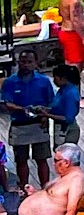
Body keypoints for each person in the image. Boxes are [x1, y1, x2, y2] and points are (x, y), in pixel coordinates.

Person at [2, 50, 56, 192]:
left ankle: (45, 188)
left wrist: (45, 115)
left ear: (36, 63)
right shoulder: (9, 82)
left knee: (42, 159)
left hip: (39, 125)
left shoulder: (44, 81)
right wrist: (23, 109)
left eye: (29, 62)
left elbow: (51, 102)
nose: (26, 65)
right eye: (23, 61)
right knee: (21, 160)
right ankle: (24, 188)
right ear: (18, 62)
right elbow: (7, 103)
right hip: (19, 126)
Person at [17, 145, 84, 215]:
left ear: (66, 163)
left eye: (56, 160)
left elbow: (72, 208)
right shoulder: (65, 176)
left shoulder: (76, 180)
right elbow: (52, 197)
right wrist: (34, 192)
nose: (53, 164)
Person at [56, 0, 84, 71]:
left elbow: (61, 12)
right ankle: (74, 81)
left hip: (65, 31)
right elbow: (74, 20)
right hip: (72, 34)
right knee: (76, 65)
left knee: (69, 62)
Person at [49, 65, 82, 151]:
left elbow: (68, 118)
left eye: (55, 79)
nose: (54, 81)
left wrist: (47, 115)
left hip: (68, 130)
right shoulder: (62, 90)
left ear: (63, 78)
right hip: (60, 128)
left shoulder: (70, 94)